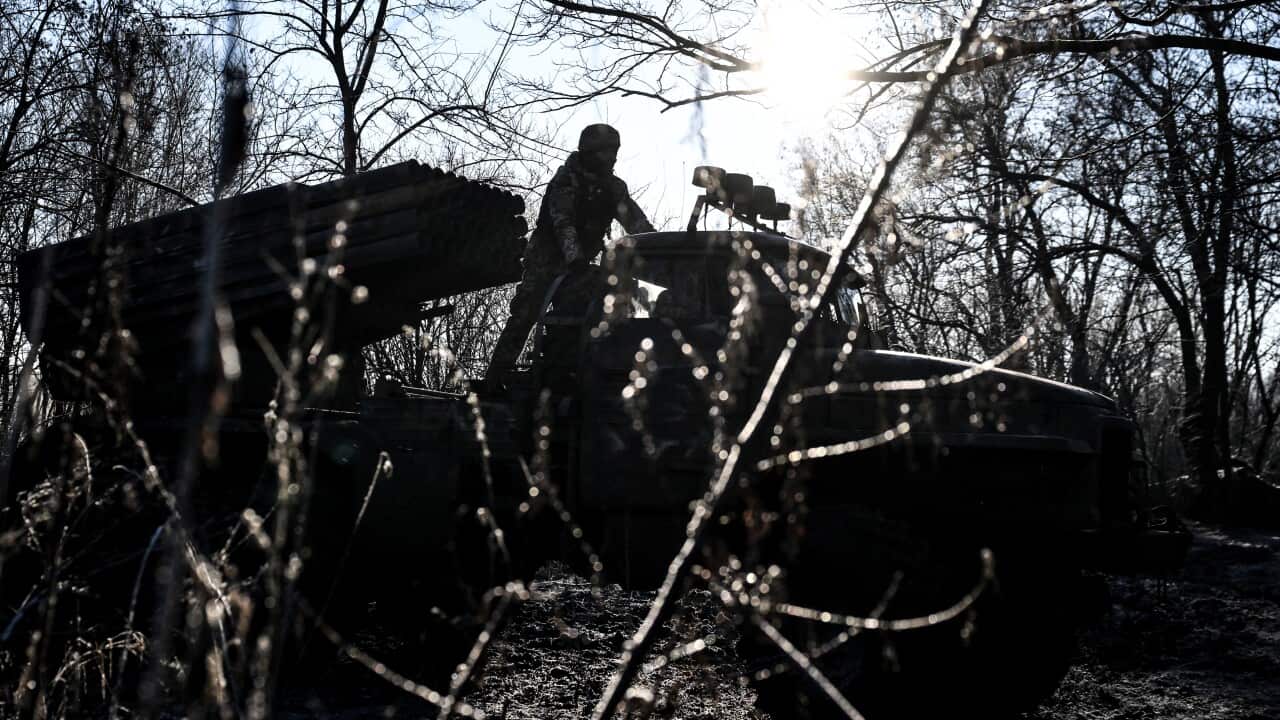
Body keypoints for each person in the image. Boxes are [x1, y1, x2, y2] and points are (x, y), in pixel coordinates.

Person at [487, 124, 655, 379]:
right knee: (525, 313)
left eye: (615, 150)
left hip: (579, 265)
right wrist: (574, 257)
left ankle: (576, 369)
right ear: (589, 151)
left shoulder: (613, 187)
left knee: (594, 308)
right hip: (547, 260)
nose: (612, 156)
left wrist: (658, 248)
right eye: (606, 151)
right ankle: (495, 377)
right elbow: (562, 222)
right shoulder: (567, 180)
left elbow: (636, 223)